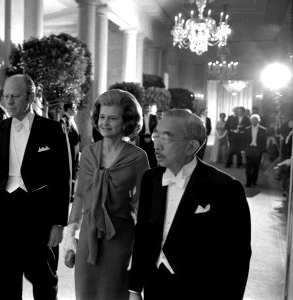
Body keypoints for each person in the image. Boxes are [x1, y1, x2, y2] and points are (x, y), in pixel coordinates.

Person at [129, 109, 251, 300]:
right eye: (156, 135)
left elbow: (237, 258)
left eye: (166, 138)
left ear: (191, 146)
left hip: (200, 290)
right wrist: (135, 288)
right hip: (155, 286)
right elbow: (142, 235)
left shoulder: (226, 189)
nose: (157, 144)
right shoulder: (150, 179)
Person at [0, 74, 71, 299]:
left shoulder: (52, 129)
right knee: (8, 280)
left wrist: (59, 224)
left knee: (44, 279)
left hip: (40, 215)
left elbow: (63, 178)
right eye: (6, 96)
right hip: (5, 213)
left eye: (15, 96)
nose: (9, 101)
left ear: (30, 97)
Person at [64, 89, 149, 299]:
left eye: (112, 118)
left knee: (113, 293)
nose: (105, 123)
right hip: (88, 237)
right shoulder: (88, 152)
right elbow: (81, 196)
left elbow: (143, 205)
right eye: (102, 117)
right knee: (86, 293)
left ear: (126, 122)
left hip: (120, 238)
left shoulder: (138, 157)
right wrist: (70, 237)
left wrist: (142, 250)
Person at [60, 102, 81, 201]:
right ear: (68, 109)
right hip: (69, 151)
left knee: (74, 171)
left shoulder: (72, 120)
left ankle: (72, 193)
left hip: (75, 151)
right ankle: (68, 194)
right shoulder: (64, 121)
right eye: (74, 108)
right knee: (69, 172)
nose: (76, 110)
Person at [243, 114, 267, 187]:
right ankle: (248, 182)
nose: (253, 121)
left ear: (258, 121)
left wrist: (263, 152)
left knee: (256, 168)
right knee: (248, 167)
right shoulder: (247, 129)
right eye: (252, 120)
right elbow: (244, 141)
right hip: (249, 149)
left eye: (255, 120)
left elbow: (264, 142)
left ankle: (254, 181)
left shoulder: (263, 129)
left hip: (257, 150)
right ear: (250, 121)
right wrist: (243, 150)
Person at [137, 103, 158, 167]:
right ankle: (143, 167)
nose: (147, 109)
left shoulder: (154, 117)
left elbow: (156, 129)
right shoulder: (140, 117)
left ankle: (153, 167)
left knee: (152, 154)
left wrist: (151, 138)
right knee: (143, 153)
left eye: (148, 108)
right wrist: (143, 136)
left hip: (151, 137)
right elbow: (138, 128)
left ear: (150, 109)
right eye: (146, 108)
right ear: (143, 109)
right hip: (142, 137)